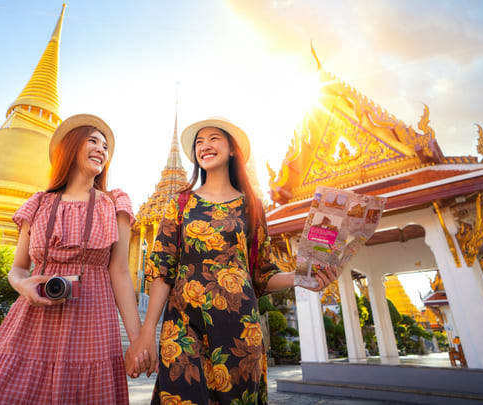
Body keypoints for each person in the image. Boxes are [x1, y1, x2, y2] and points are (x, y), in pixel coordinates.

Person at [127, 118, 337, 405]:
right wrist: (147, 331)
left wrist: (300, 277)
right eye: (199, 142)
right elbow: (163, 271)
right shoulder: (180, 203)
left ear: (232, 150)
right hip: (184, 326)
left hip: (239, 329)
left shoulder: (251, 206)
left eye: (213, 138)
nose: (204, 146)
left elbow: (262, 274)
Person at [0, 114, 141, 404]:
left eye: (105, 146)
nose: (101, 149)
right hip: (33, 317)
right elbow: (18, 269)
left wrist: (138, 341)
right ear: (71, 147)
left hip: (91, 319)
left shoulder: (113, 204)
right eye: (93, 141)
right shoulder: (38, 203)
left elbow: (120, 272)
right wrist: (24, 286)